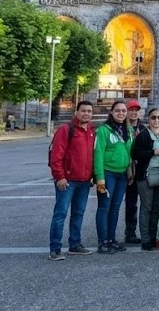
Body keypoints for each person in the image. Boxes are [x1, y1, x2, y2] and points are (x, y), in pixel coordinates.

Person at [48, 100, 96, 260]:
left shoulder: (91, 131)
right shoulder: (66, 129)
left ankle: (75, 244)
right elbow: (56, 155)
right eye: (83, 111)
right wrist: (59, 176)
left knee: (78, 213)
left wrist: (92, 176)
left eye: (89, 111)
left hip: (84, 181)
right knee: (60, 213)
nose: (86, 114)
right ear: (76, 112)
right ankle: (55, 248)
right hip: (67, 180)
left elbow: (92, 156)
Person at [93, 100, 133, 254]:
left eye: (123, 110)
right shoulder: (104, 130)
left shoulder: (128, 130)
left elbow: (129, 153)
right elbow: (98, 154)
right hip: (107, 173)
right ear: (111, 112)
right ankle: (102, 241)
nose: (121, 113)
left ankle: (111, 239)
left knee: (115, 208)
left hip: (122, 174)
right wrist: (100, 178)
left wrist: (130, 171)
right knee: (104, 207)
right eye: (118, 110)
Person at [131, 108, 159, 251]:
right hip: (146, 175)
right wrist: (153, 152)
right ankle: (146, 239)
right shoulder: (143, 135)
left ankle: (154, 237)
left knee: (156, 209)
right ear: (148, 119)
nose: (156, 120)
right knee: (146, 208)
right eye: (153, 117)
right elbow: (136, 154)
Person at [123, 100, 146, 245]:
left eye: (136, 110)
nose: (134, 112)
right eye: (131, 110)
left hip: (140, 169)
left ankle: (140, 232)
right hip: (125, 169)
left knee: (141, 203)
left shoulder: (143, 129)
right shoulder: (122, 128)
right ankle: (129, 232)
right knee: (130, 203)